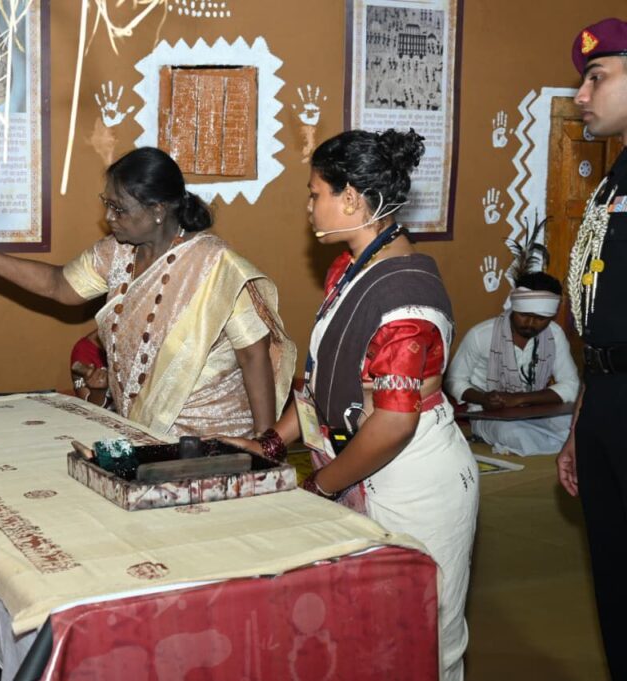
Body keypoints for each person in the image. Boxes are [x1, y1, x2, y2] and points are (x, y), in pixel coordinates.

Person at [223, 129, 478, 681]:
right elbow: (322, 380)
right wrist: (273, 442)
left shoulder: (405, 299)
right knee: (363, 635)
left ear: (352, 199)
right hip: (360, 464)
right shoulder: (350, 269)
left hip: (412, 482)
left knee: (424, 637)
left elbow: (393, 424)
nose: (309, 205)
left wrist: (321, 486)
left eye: (315, 193)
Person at [0, 147, 296, 438]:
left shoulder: (215, 265)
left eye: (119, 209)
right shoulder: (116, 252)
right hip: (142, 433)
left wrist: (264, 444)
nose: (109, 217)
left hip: (213, 438)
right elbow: (58, 285)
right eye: (106, 204)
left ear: (157, 210)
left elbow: (254, 355)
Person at [557, 17, 627, 679]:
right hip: (606, 394)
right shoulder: (614, 180)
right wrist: (582, 420)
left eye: (597, 77)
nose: (581, 94)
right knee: (612, 572)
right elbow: (600, 320)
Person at [445, 272, 579, 455]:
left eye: (541, 318)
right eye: (524, 315)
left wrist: (520, 399)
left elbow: (571, 385)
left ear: (552, 317)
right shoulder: (481, 334)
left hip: (538, 410)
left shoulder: (554, 334)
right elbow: (453, 381)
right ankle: (558, 444)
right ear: (514, 307)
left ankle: (551, 443)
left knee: (578, 422)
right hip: (489, 415)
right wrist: (483, 399)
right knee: (513, 433)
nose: (530, 323)